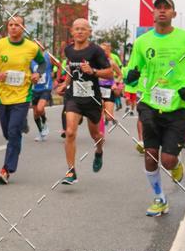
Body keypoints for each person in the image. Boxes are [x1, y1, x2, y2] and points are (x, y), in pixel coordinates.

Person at [125, 0, 185, 216]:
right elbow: (131, 73)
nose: (162, 11)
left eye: (166, 8)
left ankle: (176, 162)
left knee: (167, 161)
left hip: (177, 107)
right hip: (150, 103)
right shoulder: (142, 42)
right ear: (153, 13)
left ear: (173, 14)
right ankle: (159, 198)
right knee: (150, 154)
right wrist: (130, 76)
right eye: (158, 8)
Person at [0, 15, 45, 183]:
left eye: (17, 25)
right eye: (11, 24)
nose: (13, 27)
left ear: (23, 28)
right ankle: (21, 126)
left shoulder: (32, 47)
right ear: (7, 27)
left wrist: (37, 73)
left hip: (22, 95)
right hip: (3, 95)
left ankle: (6, 170)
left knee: (12, 132)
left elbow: (42, 63)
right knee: (8, 133)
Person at [55, 19, 113, 185]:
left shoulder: (96, 51)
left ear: (89, 32)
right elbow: (71, 71)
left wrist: (93, 71)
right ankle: (71, 171)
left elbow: (109, 73)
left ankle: (99, 150)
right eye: (77, 29)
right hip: (74, 97)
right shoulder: (69, 50)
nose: (79, 32)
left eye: (83, 29)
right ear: (72, 32)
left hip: (92, 98)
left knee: (96, 135)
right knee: (70, 132)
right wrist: (64, 85)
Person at [97, 41, 123, 138]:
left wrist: (115, 84)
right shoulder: (95, 62)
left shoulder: (112, 63)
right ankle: (101, 135)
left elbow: (120, 75)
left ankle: (105, 115)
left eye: (104, 50)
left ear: (108, 51)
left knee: (108, 116)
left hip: (109, 89)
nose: (102, 52)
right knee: (100, 109)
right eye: (100, 50)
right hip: (98, 88)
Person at [31, 46, 55, 141]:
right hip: (35, 89)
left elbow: (59, 65)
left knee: (40, 108)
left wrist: (56, 77)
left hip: (46, 88)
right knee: (36, 114)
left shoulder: (48, 56)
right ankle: (41, 132)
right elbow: (29, 73)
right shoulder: (30, 60)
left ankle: (44, 123)